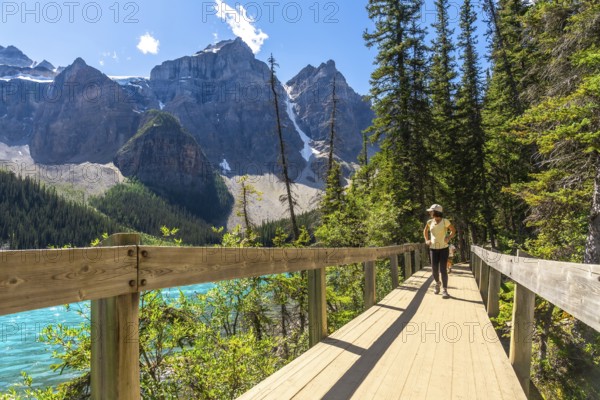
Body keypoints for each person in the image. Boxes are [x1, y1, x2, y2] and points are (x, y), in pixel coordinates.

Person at [423, 204, 456, 298]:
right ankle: (438, 283)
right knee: (434, 270)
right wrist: (426, 240)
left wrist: (448, 237)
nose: (429, 212)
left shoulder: (445, 221)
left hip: (443, 249)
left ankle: (445, 290)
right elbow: (425, 231)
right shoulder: (429, 222)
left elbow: (453, 230)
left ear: (436, 212)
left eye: (431, 211)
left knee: (443, 269)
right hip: (433, 249)